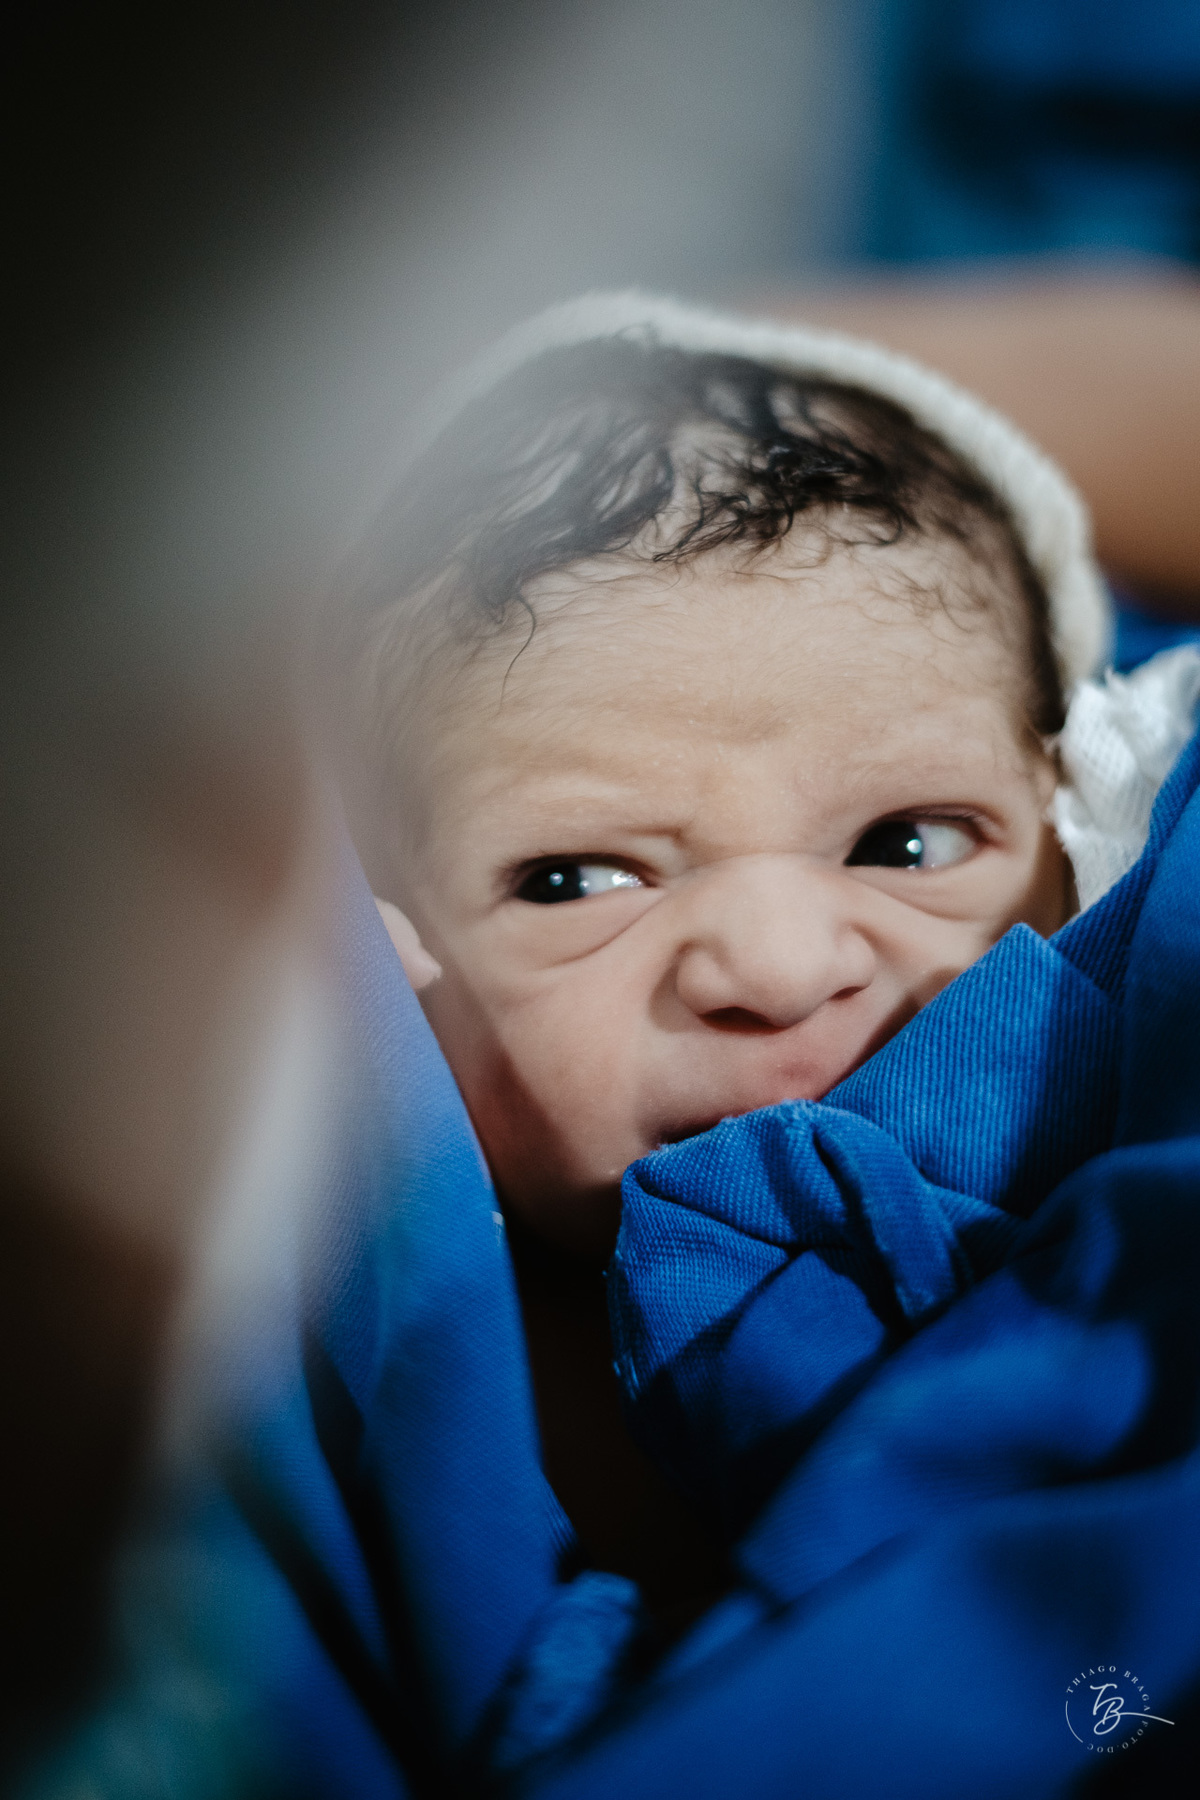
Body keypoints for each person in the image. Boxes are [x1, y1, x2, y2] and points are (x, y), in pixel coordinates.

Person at [324, 292, 1197, 1616]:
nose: (779, 969)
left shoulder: (1146, 967)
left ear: (1074, 810)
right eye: (574, 880)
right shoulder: (458, 1340)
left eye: (907, 844)